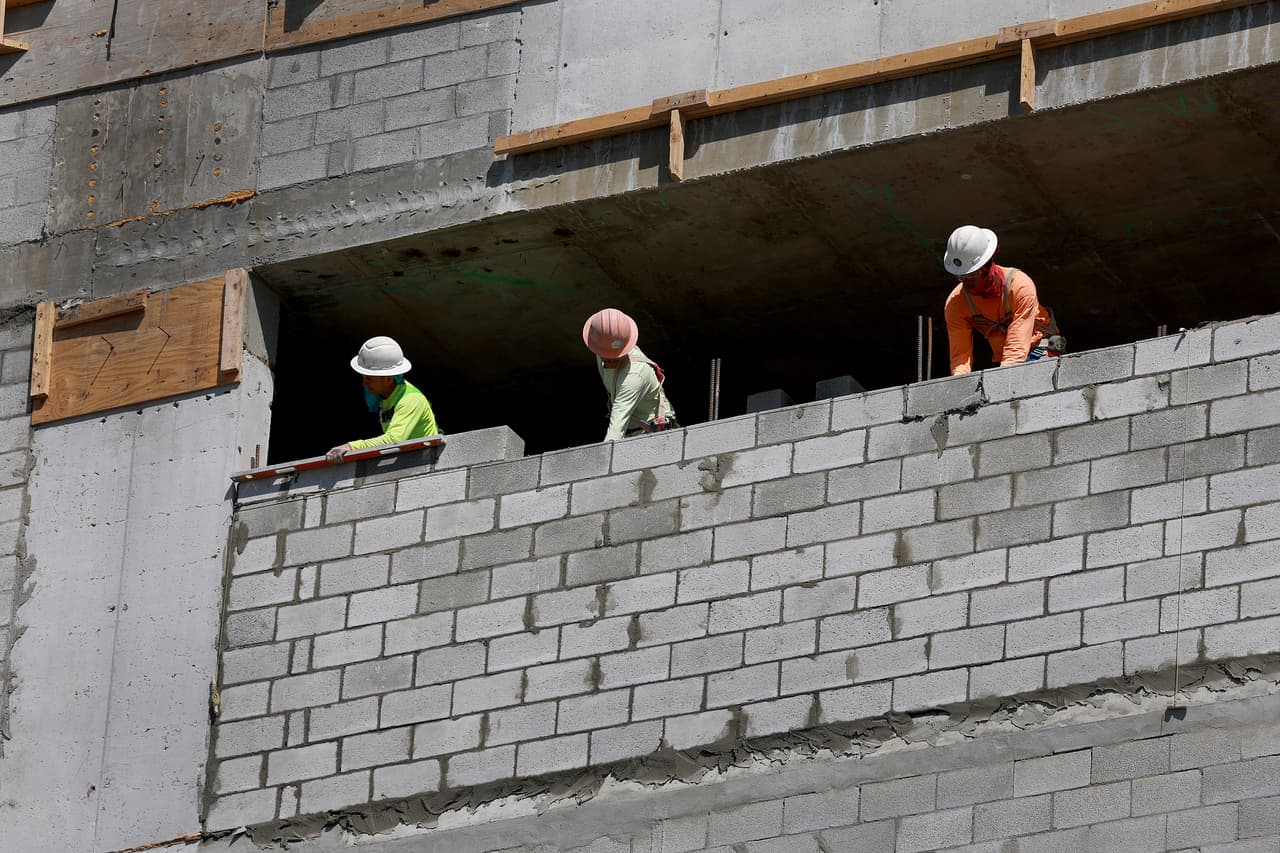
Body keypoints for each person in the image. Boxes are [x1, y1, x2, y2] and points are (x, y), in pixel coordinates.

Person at [942, 225, 1063, 376]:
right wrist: (959, 382)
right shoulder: (956, 303)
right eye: (960, 276)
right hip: (1007, 357)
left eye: (971, 275)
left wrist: (1004, 379)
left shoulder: (1019, 286)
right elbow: (960, 356)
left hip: (1039, 347)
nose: (966, 282)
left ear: (986, 266)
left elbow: (1016, 349)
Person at [326, 336, 439, 461]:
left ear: (388, 378)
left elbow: (394, 440)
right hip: (409, 458)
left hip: (425, 461)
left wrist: (352, 447)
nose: (364, 384)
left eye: (369, 378)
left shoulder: (411, 400)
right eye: (363, 377)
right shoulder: (385, 396)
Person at [583, 308, 677, 441]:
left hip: (654, 434)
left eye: (613, 356)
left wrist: (604, 457)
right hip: (632, 430)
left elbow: (616, 428)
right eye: (605, 355)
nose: (608, 359)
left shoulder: (634, 375)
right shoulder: (602, 346)